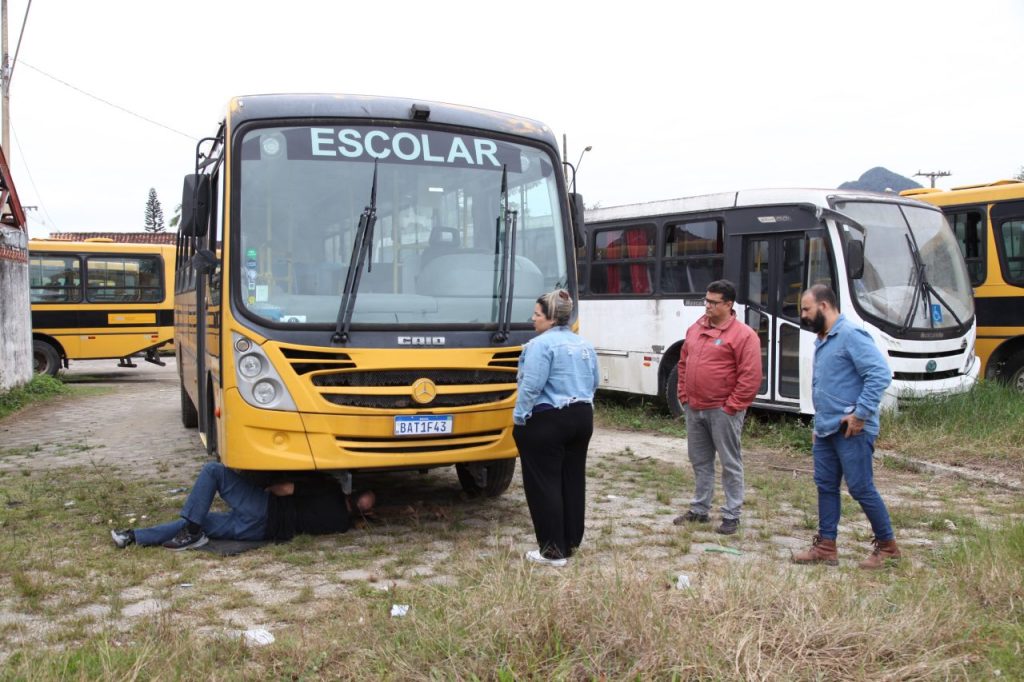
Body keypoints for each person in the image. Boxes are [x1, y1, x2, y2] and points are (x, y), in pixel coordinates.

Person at [792, 284, 901, 569]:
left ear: (824, 306)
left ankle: (888, 547)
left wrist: (860, 414)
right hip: (826, 429)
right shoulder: (823, 339)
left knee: (861, 488)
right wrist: (819, 426)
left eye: (806, 309)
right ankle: (826, 547)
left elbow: (879, 373)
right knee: (825, 486)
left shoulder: (851, 335)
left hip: (852, 430)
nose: (802, 315)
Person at [512, 289, 600, 567]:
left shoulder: (540, 346)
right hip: (582, 417)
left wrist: (519, 417)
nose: (533, 319)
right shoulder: (584, 344)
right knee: (572, 480)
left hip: (548, 419)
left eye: (537, 314)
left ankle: (552, 551)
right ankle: (570, 541)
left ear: (550, 318)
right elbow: (594, 382)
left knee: (544, 484)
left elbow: (531, 385)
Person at [110, 461, 375, 550]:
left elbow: (284, 489)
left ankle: (184, 532)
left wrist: (262, 489)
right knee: (200, 521)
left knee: (214, 471)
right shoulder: (342, 525)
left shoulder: (329, 488)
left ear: (352, 492)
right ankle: (134, 537)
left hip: (264, 509)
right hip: (261, 533)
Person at [673, 279, 762, 535]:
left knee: (730, 463)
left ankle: (732, 515)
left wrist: (732, 406)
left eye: (713, 302)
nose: (707, 306)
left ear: (729, 304)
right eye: (706, 300)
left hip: (723, 411)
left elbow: (750, 376)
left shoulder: (744, 335)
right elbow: (683, 362)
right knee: (700, 461)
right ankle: (700, 510)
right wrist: (684, 395)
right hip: (695, 408)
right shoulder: (695, 329)